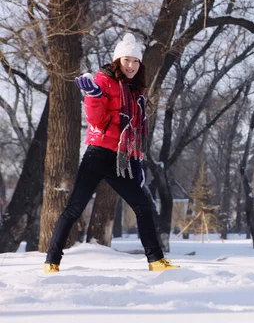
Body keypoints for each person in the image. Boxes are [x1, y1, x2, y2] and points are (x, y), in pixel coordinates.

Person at [44, 33, 180, 273]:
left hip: (122, 159)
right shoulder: (103, 81)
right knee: (74, 208)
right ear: (118, 61)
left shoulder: (135, 90)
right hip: (98, 154)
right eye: (127, 60)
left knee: (143, 205)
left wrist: (137, 162)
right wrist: (94, 96)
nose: (131, 65)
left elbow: (137, 130)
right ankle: (52, 261)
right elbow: (97, 121)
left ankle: (156, 261)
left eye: (136, 61)